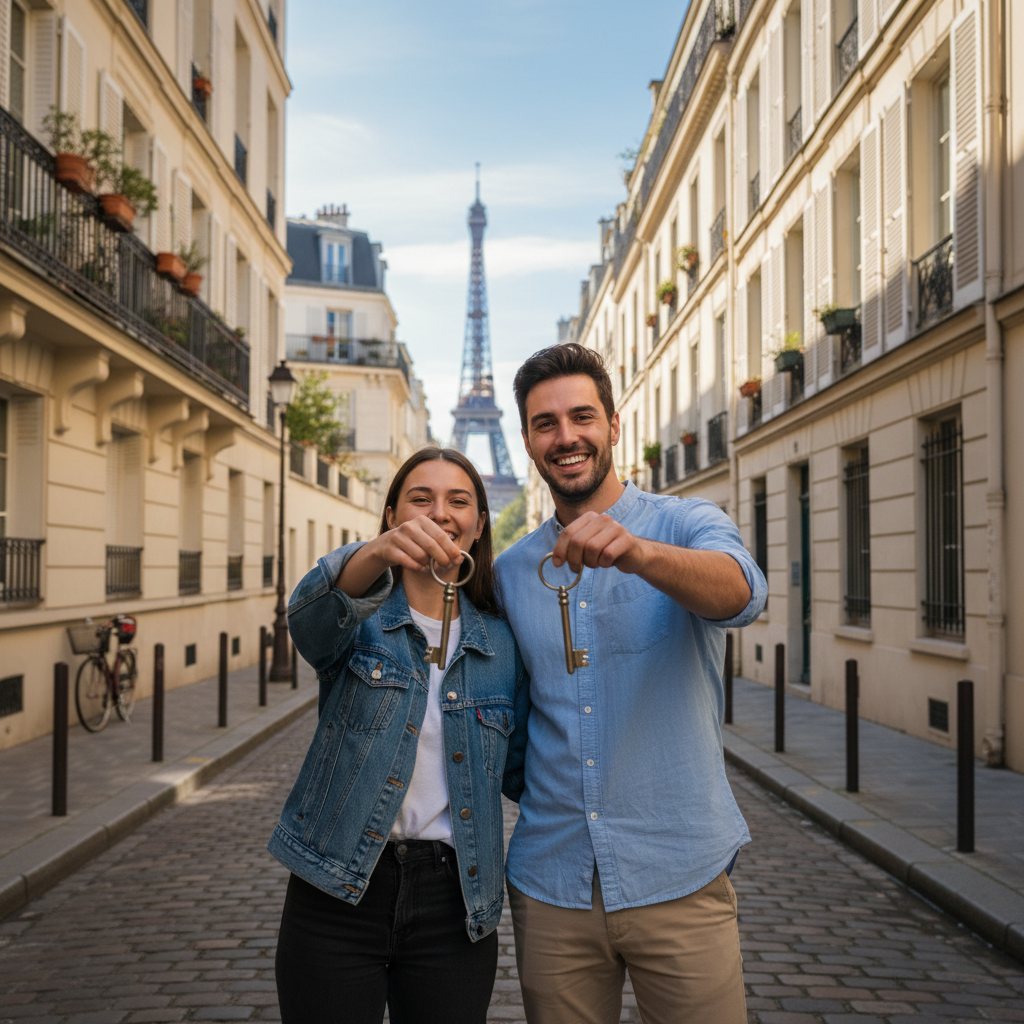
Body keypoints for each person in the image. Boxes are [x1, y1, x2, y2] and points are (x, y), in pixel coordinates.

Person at [494, 343, 767, 1024]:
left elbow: (743, 593)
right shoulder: (507, 572)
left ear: (615, 426)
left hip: (677, 874)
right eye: (545, 423)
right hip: (552, 882)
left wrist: (639, 554)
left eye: (582, 416)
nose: (566, 436)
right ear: (527, 440)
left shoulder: (686, 523)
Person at [269, 447, 529, 1024]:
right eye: (421, 498)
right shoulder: (358, 623)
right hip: (336, 889)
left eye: (459, 500)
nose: (441, 512)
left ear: (480, 524)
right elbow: (308, 618)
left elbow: (525, 771)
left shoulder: (503, 644)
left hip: (454, 899)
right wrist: (376, 555)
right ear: (391, 515)